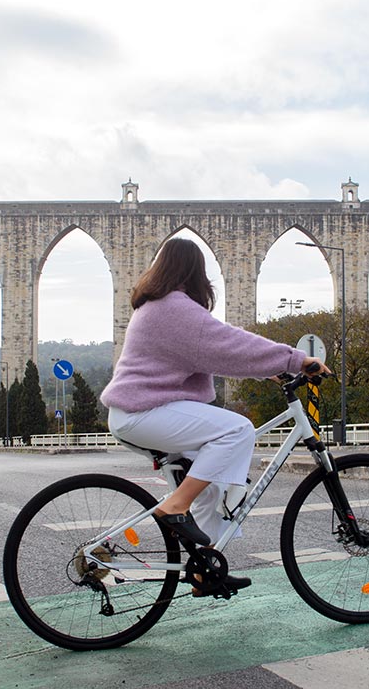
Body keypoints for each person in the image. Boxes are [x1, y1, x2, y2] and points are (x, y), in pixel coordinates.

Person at [100, 238, 329, 593]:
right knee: (237, 430)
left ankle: (204, 569)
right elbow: (229, 342)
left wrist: (269, 369)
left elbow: (217, 354)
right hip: (144, 412)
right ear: (194, 271)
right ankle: (175, 505)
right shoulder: (174, 307)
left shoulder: (157, 306)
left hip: (139, 411)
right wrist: (295, 360)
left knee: (211, 488)